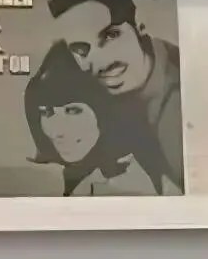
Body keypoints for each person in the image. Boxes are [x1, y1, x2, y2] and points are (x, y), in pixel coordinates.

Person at [48, 0, 183, 188]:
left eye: (111, 35)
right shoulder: (91, 96)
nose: (101, 63)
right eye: (81, 49)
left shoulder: (183, 99)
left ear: (139, 24)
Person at [23, 41, 177, 196]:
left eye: (73, 111)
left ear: (106, 111)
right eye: (47, 112)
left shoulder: (137, 181)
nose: (57, 130)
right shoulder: (61, 176)